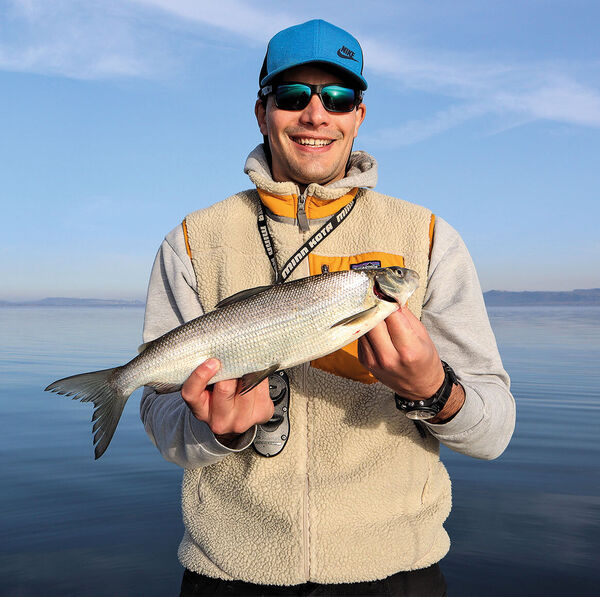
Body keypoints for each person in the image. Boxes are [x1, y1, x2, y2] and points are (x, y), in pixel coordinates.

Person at [141, 19, 515, 597]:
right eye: (293, 96)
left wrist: (435, 390)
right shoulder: (192, 240)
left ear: (358, 115)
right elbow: (162, 422)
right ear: (262, 111)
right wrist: (213, 431)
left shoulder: (429, 235)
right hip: (229, 573)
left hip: (397, 572)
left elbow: (494, 432)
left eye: (338, 97)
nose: (317, 115)